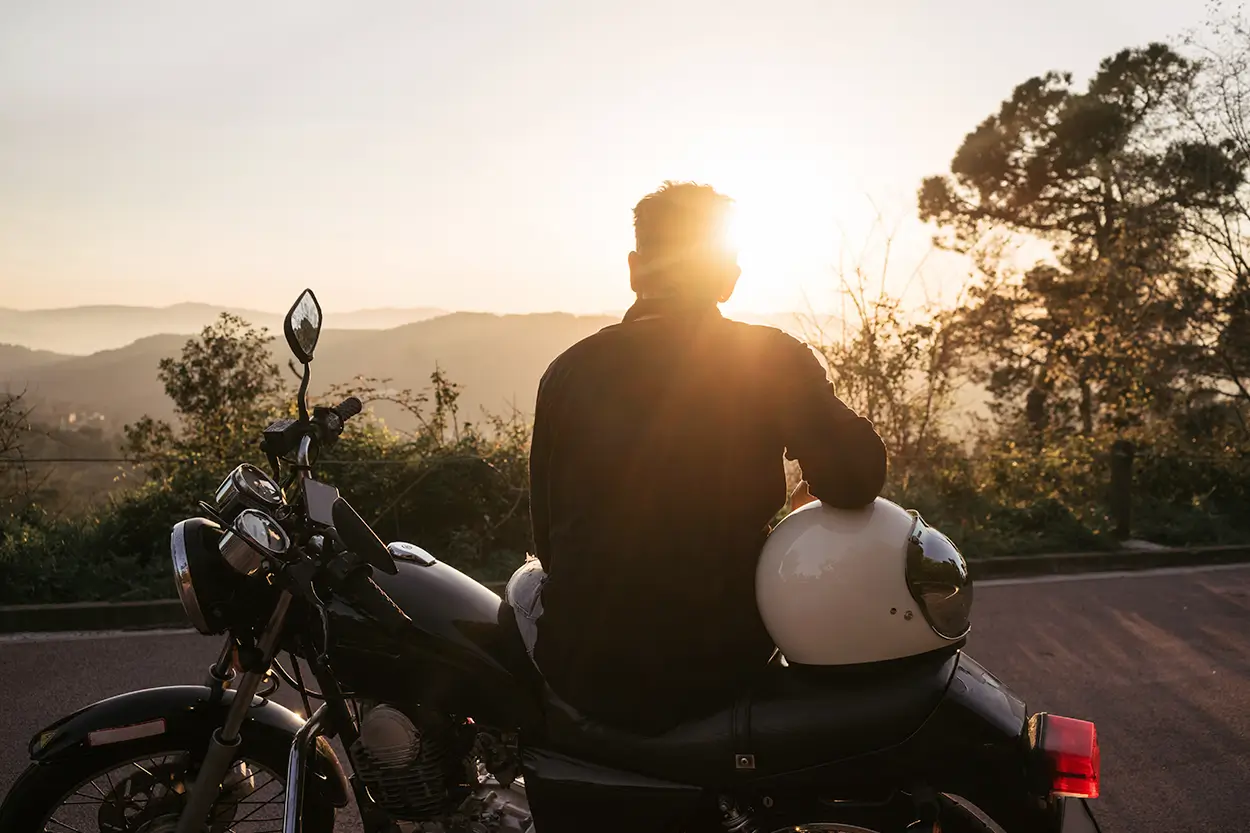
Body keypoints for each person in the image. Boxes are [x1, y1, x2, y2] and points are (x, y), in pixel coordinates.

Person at [523, 181, 887, 734]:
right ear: (727, 276)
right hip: (721, 663)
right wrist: (794, 509)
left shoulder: (566, 371)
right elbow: (857, 477)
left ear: (635, 269)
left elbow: (548, 540)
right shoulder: (769, 358)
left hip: (587, 668)